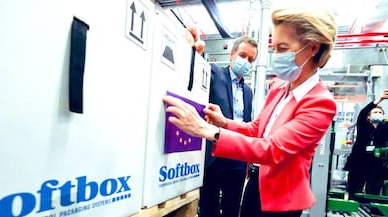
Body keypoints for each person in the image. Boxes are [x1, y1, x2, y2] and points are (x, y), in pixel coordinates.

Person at [164, 6, 337, 217]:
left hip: (281, 199)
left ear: (312, 48)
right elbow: (257, 129)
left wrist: (208, 130)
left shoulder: (320, 103)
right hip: (256, 184)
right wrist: (224, 122)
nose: (277, 55)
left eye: (283, 48)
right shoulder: (281, 87)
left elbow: (273, 149)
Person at [199, 36, 257, 217]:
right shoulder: (214, 73)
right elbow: (197, 67)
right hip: (214, 155)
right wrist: (195, 52)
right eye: (242, 55)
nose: (246, 62)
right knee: (209, 208)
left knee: (232, 208)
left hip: (238, 157)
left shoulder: (248, 91)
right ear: (232, 55)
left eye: (251, 59)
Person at [344, 89, 388, 201]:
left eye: (380, 113)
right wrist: (379, 100)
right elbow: (363, 113)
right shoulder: (363, 126)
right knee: (354, 191)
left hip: (377, 166)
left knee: (374, 194)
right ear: (368, 117)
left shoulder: (385, 128)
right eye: (375, 112)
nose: (378, 114)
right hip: (359, 164)